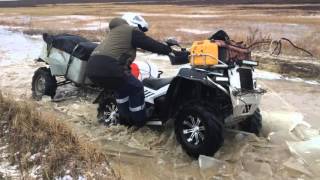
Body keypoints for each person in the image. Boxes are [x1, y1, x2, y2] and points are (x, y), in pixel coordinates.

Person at [86, 13, 187, 127]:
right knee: (136, 87)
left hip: (92, 68)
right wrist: (170, 51)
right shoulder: (130, 30)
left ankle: (124, 120)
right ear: (134, 23)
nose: (141, 32)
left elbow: (121, 52)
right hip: (109, 67)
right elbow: (150, 44)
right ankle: (139, 121)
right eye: (141, 29)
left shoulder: (115, 33)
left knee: (121, 89)